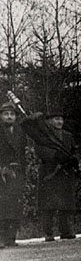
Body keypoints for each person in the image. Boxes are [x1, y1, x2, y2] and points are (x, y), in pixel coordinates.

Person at [21, 109, 79, 242]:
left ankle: (66, 231)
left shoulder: (68, 136)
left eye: (61, 119)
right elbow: (40, 150)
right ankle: (48, 233)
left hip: (65, 171)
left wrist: (74, 158)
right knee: (48, 205)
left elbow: (75, 150)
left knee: (66, 203)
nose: (59, 122)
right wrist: (55, 157)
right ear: (49, 121)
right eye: (56, 119)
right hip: (49, 171)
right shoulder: (42, 136)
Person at [0, 102, 27, 248]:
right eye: (6, 114)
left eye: (12, 114)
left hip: (17, 173)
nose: (9, 117)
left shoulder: (20, 132)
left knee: (15, 205)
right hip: (2, 174)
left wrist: (23, 171)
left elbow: (22, 154)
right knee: (2, 206)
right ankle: (1, 238)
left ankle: (11, 238)